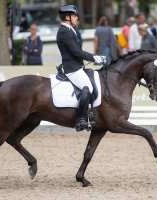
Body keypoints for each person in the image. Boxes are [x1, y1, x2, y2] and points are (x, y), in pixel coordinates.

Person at [56, 4, 106, 132]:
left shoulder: (69, 30)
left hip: (76, 66)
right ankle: (80, 119)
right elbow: (76, 52)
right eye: (74, 16)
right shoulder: (64, 32)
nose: (77, 18)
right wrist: (95, 58)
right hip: (72, 69)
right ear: (67, 17)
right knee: (87, 87)